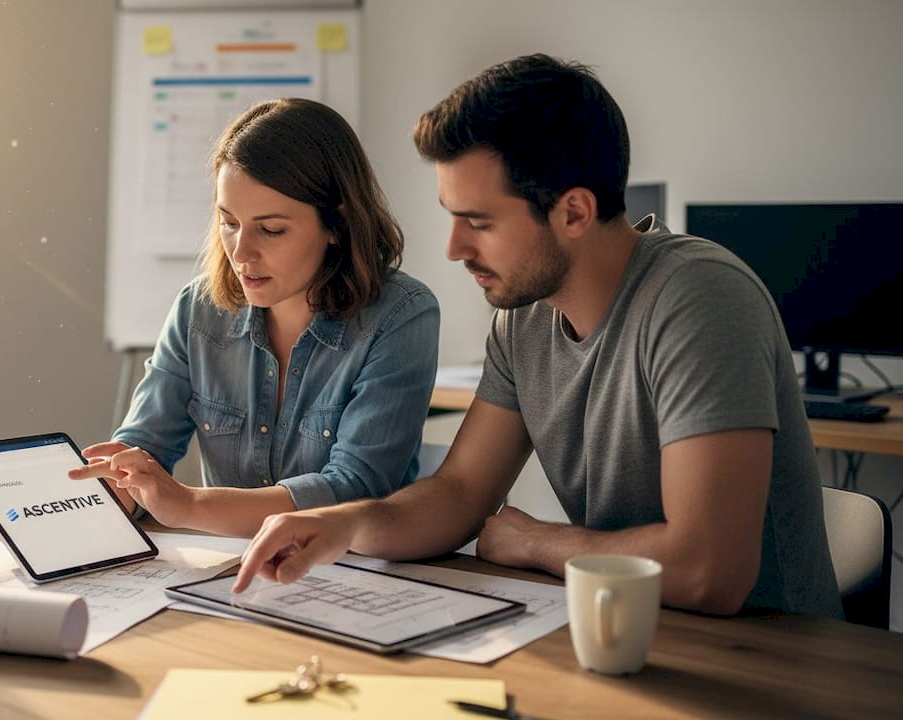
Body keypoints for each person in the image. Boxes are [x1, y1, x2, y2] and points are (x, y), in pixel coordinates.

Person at [233, 55, 842, 619]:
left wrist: (536, 541)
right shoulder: (524, 319)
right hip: (620, 627)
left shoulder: (700, 299)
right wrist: (343, 524)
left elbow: (709, 572)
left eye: (478, 222)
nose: (454, 249)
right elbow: (460, 493)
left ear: (573, 212)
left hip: (765, 658)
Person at [69, 98, 440, 538]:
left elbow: (354, 489)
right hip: (226, 567)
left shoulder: (401, 315)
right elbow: (141, 449)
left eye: (271, 229)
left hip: (350, 567)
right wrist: (93, 499)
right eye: (229, 222)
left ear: (337, 225)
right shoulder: (198, 309)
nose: (241, 253)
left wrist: (188, 504)